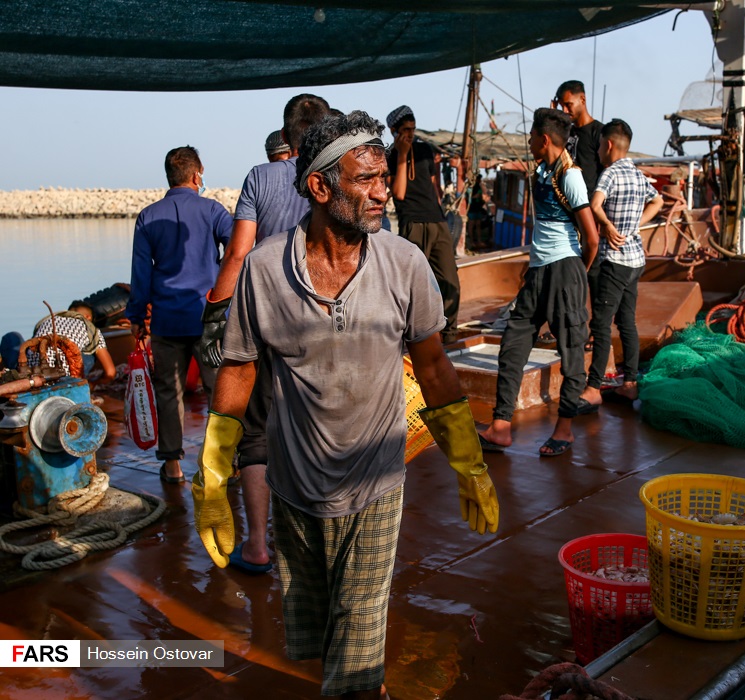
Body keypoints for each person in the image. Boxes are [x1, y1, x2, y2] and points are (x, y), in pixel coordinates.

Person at [193, 111, 499, 699]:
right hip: (293, 488)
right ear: (319, 187)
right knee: (319, 639)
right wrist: (212, 476)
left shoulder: (404, 263)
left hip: (376, 484)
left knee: (356, 650)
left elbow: (433, 366)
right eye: (366, 180)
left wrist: (469, 462)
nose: (384, 191)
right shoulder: (262, 272)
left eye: (384, 177)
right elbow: (240, 368)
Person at [200, 93, 331, 573]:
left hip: (262, 321)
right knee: (315, 429)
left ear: (286, 133)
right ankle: (318, 542)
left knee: (255, 436)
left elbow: (237, 253)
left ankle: (257, 545)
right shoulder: (334, 182)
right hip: (319, 324)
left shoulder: (261, 176)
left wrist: (216, 309)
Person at [477, 108, 599, 457]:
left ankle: (565, 430)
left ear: (543, 139)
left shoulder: (570, 176)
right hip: (539, 271)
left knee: (572, 352)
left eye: (531, 136)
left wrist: (577, 272)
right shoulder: (543, 171)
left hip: (564, 271)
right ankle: (500, 426)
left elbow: (591, 238)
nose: (528, 142)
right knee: (513, 344)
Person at [126, 146, 232, 483]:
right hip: (208, 316)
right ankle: (222, 462)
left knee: (169, 392)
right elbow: (238, 250)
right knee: (218, 390)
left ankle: (172, 465)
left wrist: (136, 315)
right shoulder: (213, 211)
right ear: (197, 173)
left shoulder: (148, 216)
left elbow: (140, 274)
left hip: (166, 319)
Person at [577, 119, 663, 410]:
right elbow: (659, 201)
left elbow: (595, 204)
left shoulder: (609, 174)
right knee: (627, 321)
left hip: (614, 261)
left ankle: (592, 388)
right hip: (636, 260)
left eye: (600, 145)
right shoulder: (638, 175)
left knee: (601, 324)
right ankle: (630, 384)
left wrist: (609, 227)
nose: (599, 151)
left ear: (609, 145)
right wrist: (635, 225)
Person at [386, 105, 461, 344]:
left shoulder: (426, 151)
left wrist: (440, 212)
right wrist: (402, 155)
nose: (410, 134)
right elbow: (398, 193)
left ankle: (449, 335)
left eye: (413, 129)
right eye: (405, 130)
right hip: (412, 224)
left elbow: (435, 188)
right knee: (413, 284)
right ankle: (412, 335)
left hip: (436, 220)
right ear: (394, 131)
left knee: (449, 278)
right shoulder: (389, 157)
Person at [554, 80, 606, 315]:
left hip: (587, 212)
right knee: (564, 268)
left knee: (592, 271)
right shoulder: (565, 133)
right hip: (565, 214)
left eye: (568, 105)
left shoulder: (599, 133)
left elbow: (606, 177)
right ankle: (562, 322)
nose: (566, 110)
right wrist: (556, 117)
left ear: (582, 100)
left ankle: (594, 329)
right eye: (561, 106)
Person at [30, 301, 117, 383]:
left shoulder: (46, 321)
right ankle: (79, 381)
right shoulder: (91, 328)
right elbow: (111, 372)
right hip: (65, 376)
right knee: (92, 349)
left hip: (32, 372)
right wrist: (94, 384)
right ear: (88, 317)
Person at [466, 173, 489, 250]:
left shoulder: (478, 187)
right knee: (471, 224)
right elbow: (468, 197)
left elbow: (480, 198)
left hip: (477, 207)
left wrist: (482, 201)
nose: (479, 181)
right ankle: (471, 241)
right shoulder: (470, 187)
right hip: (472, 208)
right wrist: (475, 197)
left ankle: (479, 241)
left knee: (478, 224)